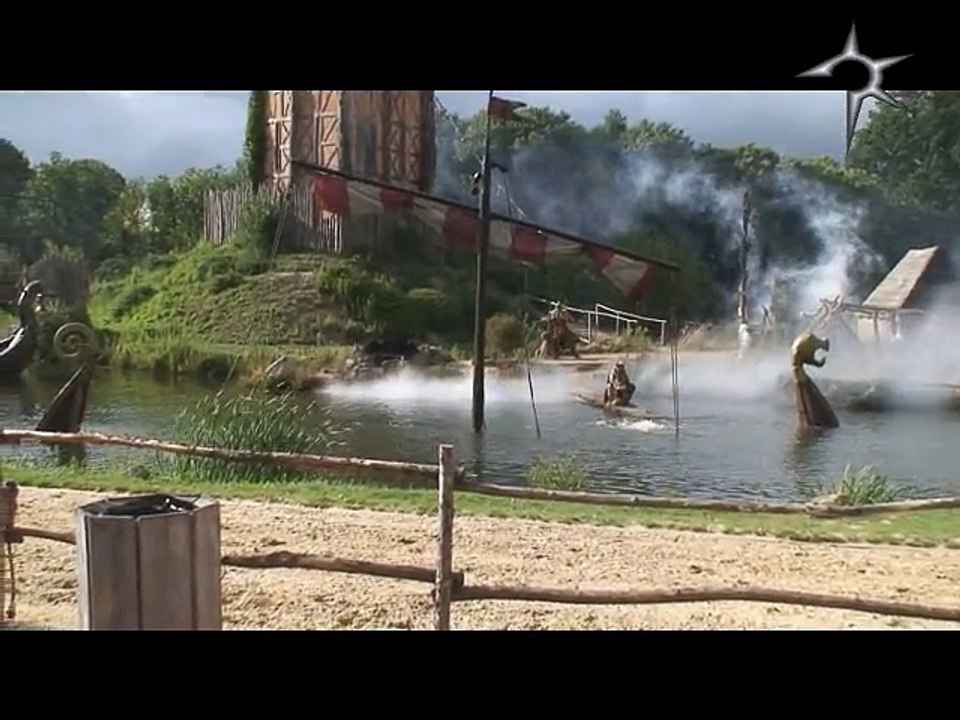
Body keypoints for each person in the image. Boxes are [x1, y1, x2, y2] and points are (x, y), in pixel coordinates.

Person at [790, 331, 839, 429]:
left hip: (797, 367)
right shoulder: (811, 343)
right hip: (798, 369)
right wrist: (817, 363)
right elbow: (808, 358)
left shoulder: (810, 339)